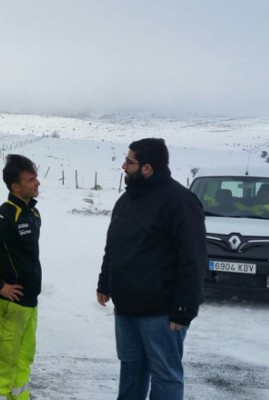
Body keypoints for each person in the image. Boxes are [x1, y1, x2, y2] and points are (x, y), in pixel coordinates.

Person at [96, 138, 207, 400]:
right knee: (131, 370)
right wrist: (105, 282)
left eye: (129, 161)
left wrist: (184, 308)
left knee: (165, 375)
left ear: (147, 168)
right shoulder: (126, 201)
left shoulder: (179, 201)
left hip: (162, 313)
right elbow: (113, 245)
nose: (124, 166)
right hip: (127, 309)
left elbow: (193, 258)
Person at [0, 154, 42, 400]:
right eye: (30, 179)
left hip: (28, 305)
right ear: (15, 187)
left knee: (23, 361)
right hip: (8, 306)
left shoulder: (32, 215)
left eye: (36, 177)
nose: (37, 183)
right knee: (2, 365)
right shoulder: (5, 215)